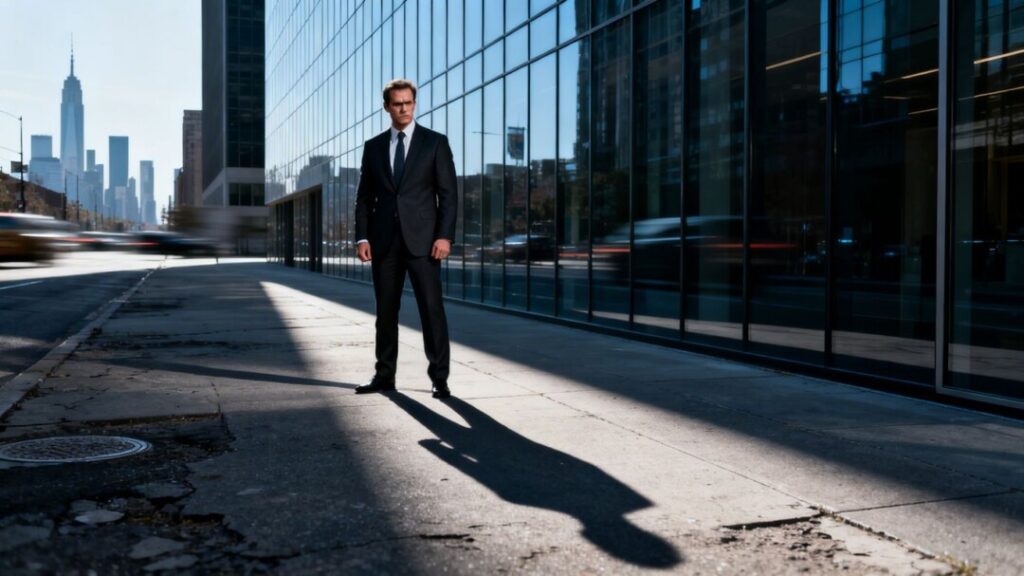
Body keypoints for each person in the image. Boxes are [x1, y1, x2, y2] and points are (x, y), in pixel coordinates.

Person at [353, 78, 457, 399]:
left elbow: (448, 195)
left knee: (431, 310)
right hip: (384, 242)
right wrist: (362, 237)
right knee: (385, 313)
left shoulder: (435, 143)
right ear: (387, 107)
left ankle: (439, 378)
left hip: (424, 243)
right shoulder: (373, 147)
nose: (404, 109)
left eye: (408, 103)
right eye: (397, 104)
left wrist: (444, 236)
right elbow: (364, 198)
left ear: (414, 103)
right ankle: (384, 376)